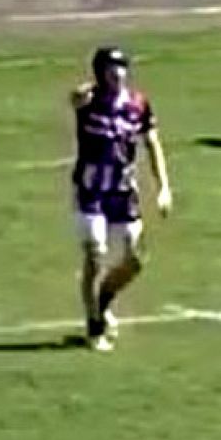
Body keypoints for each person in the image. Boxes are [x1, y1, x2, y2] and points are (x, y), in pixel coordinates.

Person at [69, 47, 172, 352]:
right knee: (95, 255)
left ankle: (103, 300)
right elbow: (75, 99)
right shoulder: (89, 101)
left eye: (121, 67)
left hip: (123, 192)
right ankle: (94, 327)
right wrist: (79, 95)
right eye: (110, 68)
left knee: (136, 259)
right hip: (91, 191)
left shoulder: (138, 104)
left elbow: (152, 143)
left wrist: (163, 187)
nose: (117, 73)